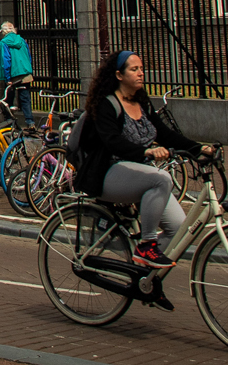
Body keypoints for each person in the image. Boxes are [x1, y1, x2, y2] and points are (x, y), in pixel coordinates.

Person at [74, 50, 212, 270]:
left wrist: (198, 148)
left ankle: (143, 280)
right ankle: (146, 246)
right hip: (108, 173)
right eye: (134, 69)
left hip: (137, 173)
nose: (140, 73)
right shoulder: (107, 105)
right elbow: (112, 142)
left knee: (179, 228)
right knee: (162, 179)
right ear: (119, 75)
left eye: (141, 68)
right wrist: (145, 152)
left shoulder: (142, 102)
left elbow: (164, 133)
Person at [0, 21, 36, 128]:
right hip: (25, 73)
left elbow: (6, 60)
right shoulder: (22, 40)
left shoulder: (4, 42)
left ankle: (9, 121)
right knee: (25, 98)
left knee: (8, 99)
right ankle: (30, 122)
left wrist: (7, 77)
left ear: (4, 32)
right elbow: (28, 56)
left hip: (13, 74)